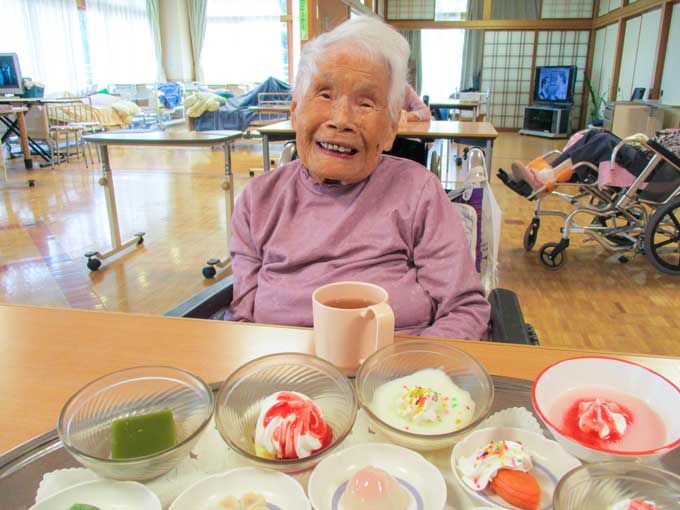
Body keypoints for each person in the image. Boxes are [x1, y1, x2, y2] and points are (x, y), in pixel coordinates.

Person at [228, 16, 490, 340]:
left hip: (396, 377)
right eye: (324, 95)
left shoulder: (417, 192)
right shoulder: (258, 201)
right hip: (286, 376)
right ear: (295, 111)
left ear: (392, 129)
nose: (341, 120)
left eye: (365, 103)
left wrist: (405, 377)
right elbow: (242, 320)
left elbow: (464, 309)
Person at [510, 128, 680, 190]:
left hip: (656, 169)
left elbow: (670, 155)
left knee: (604, 141)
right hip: (647, 156)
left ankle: (543, 178)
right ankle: (539, 173)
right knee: (596, 133)